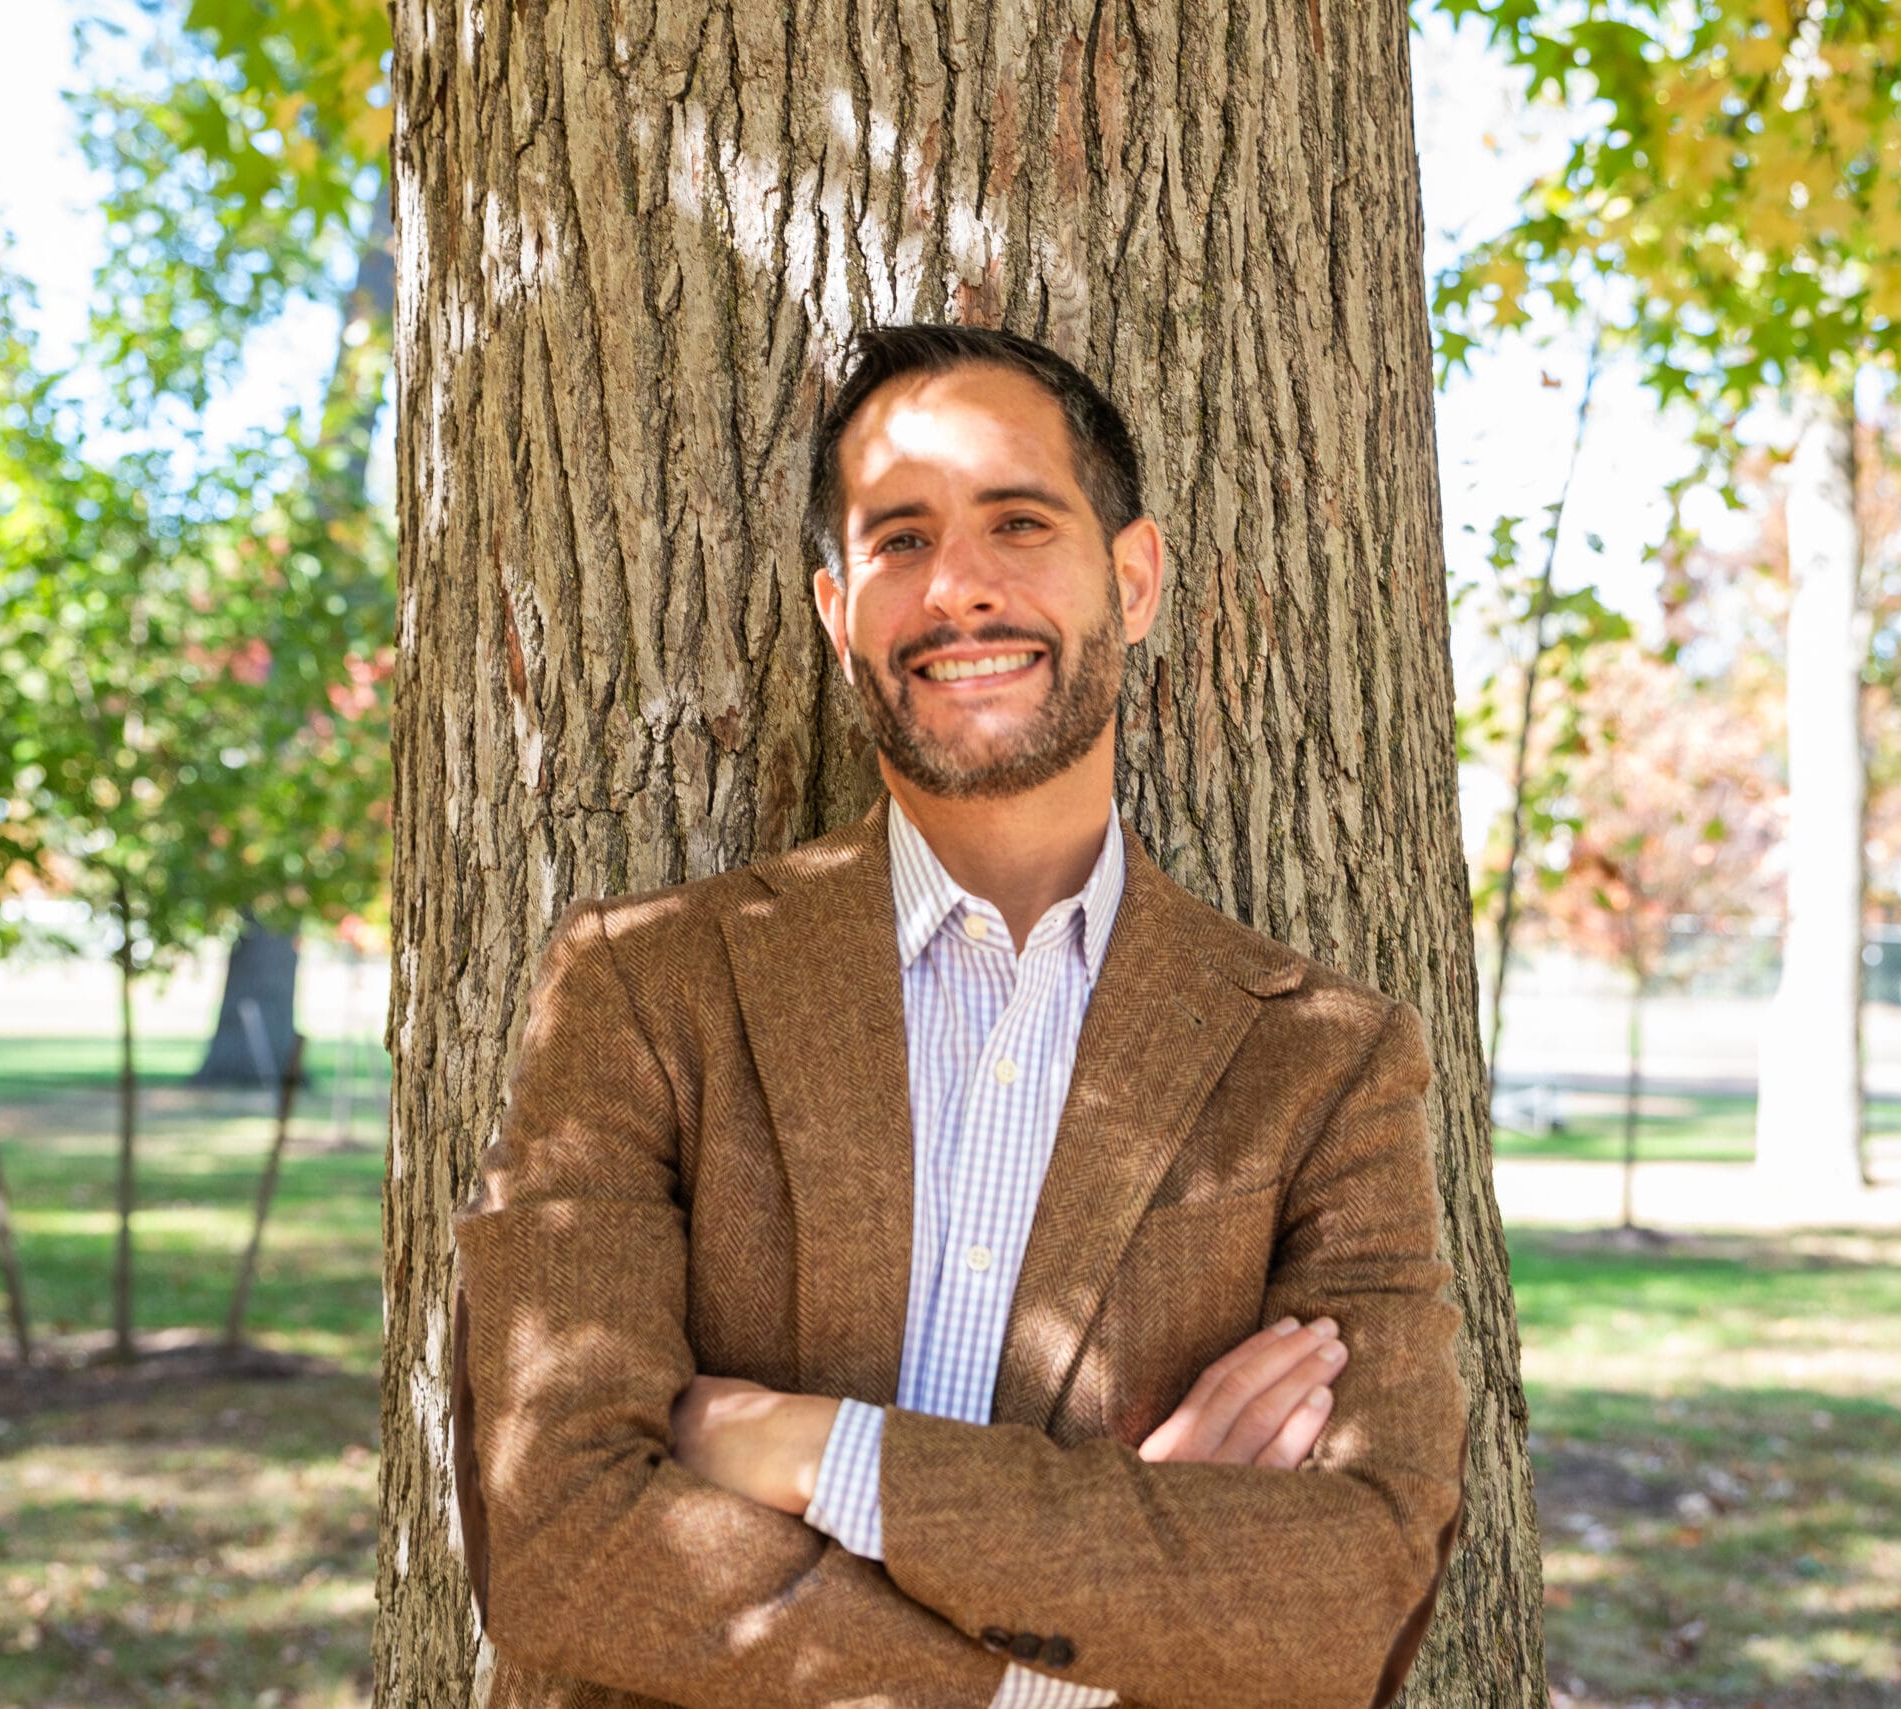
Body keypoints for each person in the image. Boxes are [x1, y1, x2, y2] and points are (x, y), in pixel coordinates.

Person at [450, 324, 1469, 1709]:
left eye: (1018, 522)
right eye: (901, 541)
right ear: (836, 608)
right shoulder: (644, 986)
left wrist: (815, 1449)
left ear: (1134, 576)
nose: (960, 590)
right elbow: (559, 1536)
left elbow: (1354, 1584)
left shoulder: (1324, 1058)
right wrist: (1066, 1657)